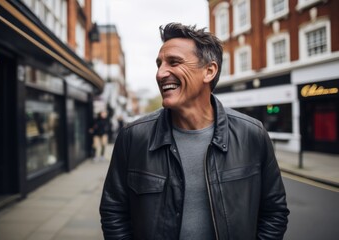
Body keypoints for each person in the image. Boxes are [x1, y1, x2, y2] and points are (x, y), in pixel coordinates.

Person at [100, 23, 289, 239]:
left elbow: (274, 212)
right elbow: (114, 212)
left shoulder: (252, 134)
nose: (160, 74)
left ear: (209, 71)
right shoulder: (133, 137)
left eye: (174, 62)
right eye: (159, 64)